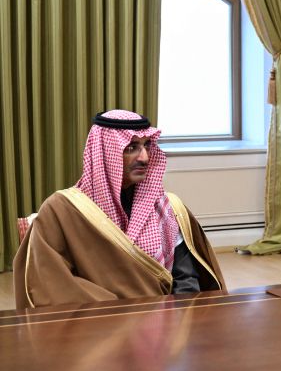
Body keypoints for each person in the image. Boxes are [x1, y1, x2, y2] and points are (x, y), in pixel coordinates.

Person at [14, 110, 224, 309]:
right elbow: (52, 282)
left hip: (163, 321)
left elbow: (186, 278)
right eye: (131, 147)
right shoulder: (61, 210)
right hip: (99, 324)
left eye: (147, 145)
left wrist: (177, 317)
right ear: (105, 153)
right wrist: (122, 316)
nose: (144, 157)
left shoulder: (167, 208)